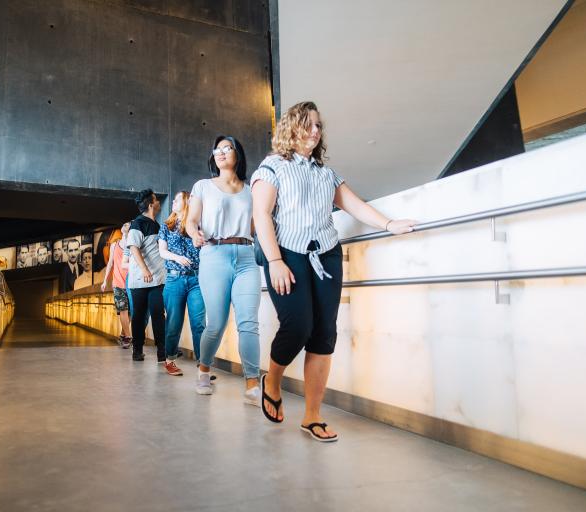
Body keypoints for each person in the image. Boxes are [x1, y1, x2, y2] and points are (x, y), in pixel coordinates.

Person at [252, 101, 416, 442]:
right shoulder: (272, 167)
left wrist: (389, 224)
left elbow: (354, 205)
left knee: (324, 334)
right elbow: (261, 215)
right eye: (308, 124)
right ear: (292, 128)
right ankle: (273, 380)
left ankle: (312, 415)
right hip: (287, 254)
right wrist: (275, 261)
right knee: (298, 326)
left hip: (326, 255)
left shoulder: (326, 174)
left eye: (318, 126)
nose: (316, 131)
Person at [186, 135, 261, 405]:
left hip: (246, 256)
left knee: (248, 322)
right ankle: (204, 370)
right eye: (216, 149)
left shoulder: (252, 190)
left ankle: (252, 383)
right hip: (214, 254)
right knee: (216, 323)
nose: (220, 153)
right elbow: (191, 220)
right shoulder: (203, 186)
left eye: (226, 148)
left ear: (237, 154)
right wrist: (194, 233)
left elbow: (256, 226)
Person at [157, 191, 206, 376]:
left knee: (199, 324)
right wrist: (178, 258)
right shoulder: (167, 226)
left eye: (177, 199)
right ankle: (170, 360)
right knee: (174, 323)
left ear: (187, 202)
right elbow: (162, 251)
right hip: (174, 278)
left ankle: (203, 366)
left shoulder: (198, 225)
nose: (173, 201)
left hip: (196, 279)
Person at [126, 189, 166, 362]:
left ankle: (162, 352)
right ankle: (137, 350)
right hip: (140, 279)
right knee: (139, 315)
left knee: (158, 314)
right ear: (151, 204)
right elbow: (134, 247)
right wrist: (144, 269)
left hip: (157, 279)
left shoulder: (156, 225)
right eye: (156, 200)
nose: (158, 202)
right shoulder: (138, 223)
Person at [101, 222, 132, 348]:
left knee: (130, 312)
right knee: (123, 310)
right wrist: (105, 280)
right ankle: (128, 337)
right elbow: (110, 263)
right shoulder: (115, 245)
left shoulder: (133, 245)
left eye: (129, 225)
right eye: (125, 224)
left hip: (131, 283)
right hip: (118, 283)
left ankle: (123, 334)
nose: (126, 225)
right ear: (121, 229)